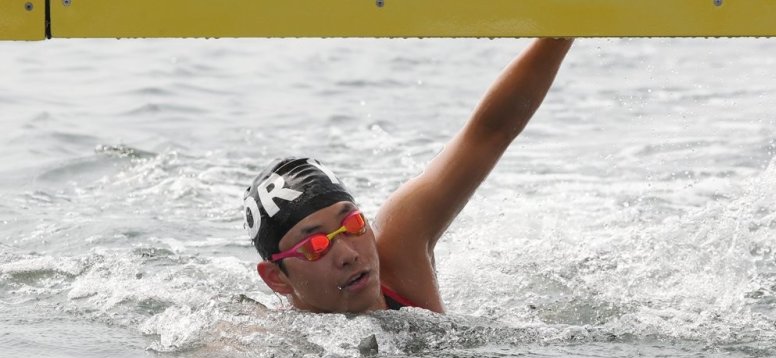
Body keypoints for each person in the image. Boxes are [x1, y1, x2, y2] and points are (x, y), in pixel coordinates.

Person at [243, 38, 573, 314]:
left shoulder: (399, 251)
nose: (348, 254)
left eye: (354, 225)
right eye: (315, 246)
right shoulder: (274, 342)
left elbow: (490, 132)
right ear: (276, 278)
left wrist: (562, 30)